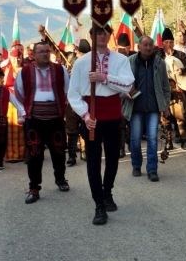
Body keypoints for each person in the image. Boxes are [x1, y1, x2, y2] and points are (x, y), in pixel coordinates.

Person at [68, 26, 135, 225]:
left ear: (110, 35)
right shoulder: (81, 63)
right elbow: (73, 94)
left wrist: (104, 78)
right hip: (92, 118)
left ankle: (107, 192)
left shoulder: (120, 60)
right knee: (93, 161)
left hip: (113, 116)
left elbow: (128, 85)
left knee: (113, 158)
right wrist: (85, 114)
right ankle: (98, 204)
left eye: (106, 32)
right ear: (92, 36)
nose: (102, 35)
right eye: (98, 32)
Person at [15, 41, 71, 204]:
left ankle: (60, 180)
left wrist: (60, 107)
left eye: (47, 51)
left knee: (59, 150)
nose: (45, 54)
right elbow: (18, 92)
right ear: (33, 54)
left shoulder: (60, 70)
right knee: (34, 154)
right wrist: (26, 111)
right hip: (34, 119)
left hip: (55, 117)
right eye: (41, 52)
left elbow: (67, 90)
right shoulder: (24, 71)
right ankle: (34, 188)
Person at [122, 35, 171, 182]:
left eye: (150, 45)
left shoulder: (159, 63)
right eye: (145, 45)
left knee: (152, 139)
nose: (148, 47)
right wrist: (125, 93)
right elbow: (120, 85)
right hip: (135, 107)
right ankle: (136, 165)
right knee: (135, 139)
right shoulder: (130, 62)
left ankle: (152, 169)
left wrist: (166, 105)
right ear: (138, 47)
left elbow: (165, 87)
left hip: (153, 108)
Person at [157, 28, 186, 152]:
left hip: (178, 90)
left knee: (182, 116)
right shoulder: (158, 55)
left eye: (171, 42)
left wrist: (182, 70)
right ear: (162, 43)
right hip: (163, 91)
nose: (169, 44)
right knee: (164, 117)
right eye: (166, 42)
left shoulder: (181, 55)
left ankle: (185, 141)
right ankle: (168, 142)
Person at [66, 40, 91, 165]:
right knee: (72, 129)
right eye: (82, 53)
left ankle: (84, 151)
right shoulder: (70, 61)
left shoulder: (91, 63)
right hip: (72, 100)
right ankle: (71, 155)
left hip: (85, 98)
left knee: (85, 126)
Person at [2, 47, 27, 163]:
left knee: (23, 129)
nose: (17, 60)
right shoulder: (6, 70)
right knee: (11, 129)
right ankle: (11, 154)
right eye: (14, 58)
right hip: (11, 103)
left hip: (23, 102)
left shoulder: (27, 69)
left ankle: (24, 154)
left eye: (19, 57)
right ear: (10, 58)